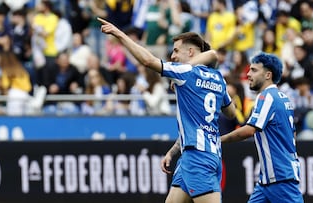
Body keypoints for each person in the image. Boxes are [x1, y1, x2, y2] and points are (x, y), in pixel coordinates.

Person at [99, 17, 236, 203]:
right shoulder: (218, 78)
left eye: (176, 51)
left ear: (191, 52)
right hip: (194, 155)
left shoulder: (185, 72)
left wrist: (119, 33)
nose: (172, 56)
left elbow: (148, 60)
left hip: (199, 159)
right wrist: (172, 152)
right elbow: (231, 113)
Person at [221, 52, 304, 203]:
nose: (248, 74)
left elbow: (249, 130)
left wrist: (218, 140)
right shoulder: (283, 98)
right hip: (268, 180)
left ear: (268, 75)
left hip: (280, 177)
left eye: (253, 70)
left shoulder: (267, 97)